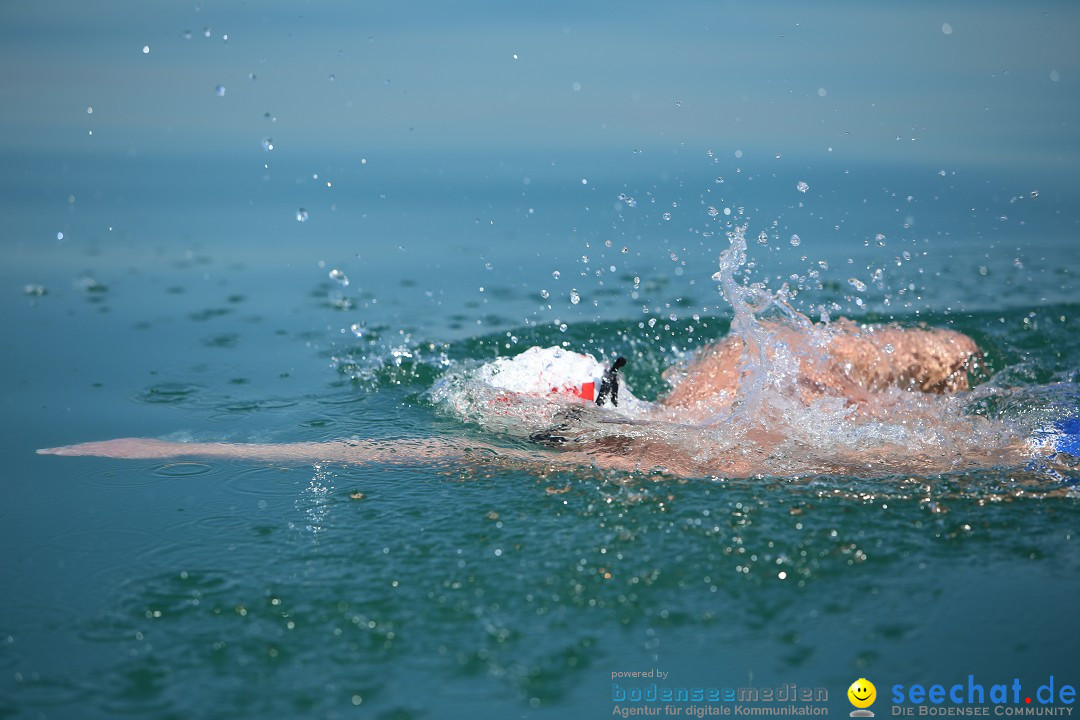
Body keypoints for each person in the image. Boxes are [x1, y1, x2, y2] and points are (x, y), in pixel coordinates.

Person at [41, 316, 1036, 478]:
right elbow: (956, 356)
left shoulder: (691, 464)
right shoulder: (746, 353)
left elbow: (405, 455)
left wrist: (188, 450)